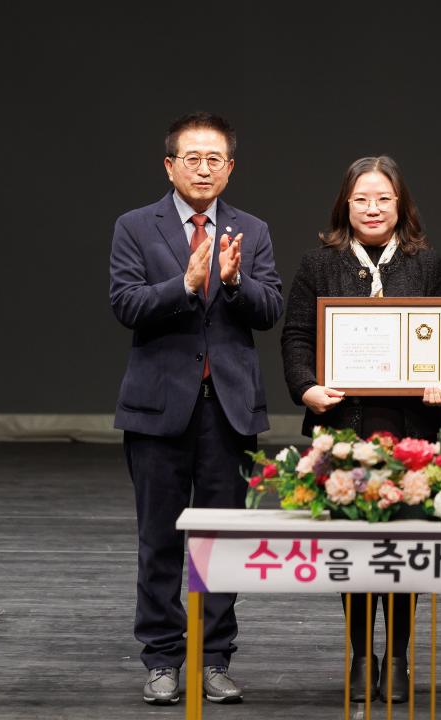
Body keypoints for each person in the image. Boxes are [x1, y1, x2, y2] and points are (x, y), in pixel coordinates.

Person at [110, 112, 284, 705]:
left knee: (222, 541)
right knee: (158, 540)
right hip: (158, 409)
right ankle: (161, 659)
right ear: (170, 165)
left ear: (230, 168)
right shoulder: (136, 226)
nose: (204, 168)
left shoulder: (252, 230)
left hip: (228, 410)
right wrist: (185, 285)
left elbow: (270, 310)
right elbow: (126, 304)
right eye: (192, 158)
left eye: (215, 159)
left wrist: (233, 284)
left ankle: (214, 659)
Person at [280, 155, 441, 703]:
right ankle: (360, 655)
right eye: (362, 199)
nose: (373, 208)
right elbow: (297, 337)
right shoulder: (319, 263)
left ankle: (400, 657)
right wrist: (307, 387)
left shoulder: (425, 263)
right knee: (354, 547)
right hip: (343, 425)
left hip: (409, 426)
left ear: (400, 204)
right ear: (345, 205)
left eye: (383, 198)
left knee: (402, 547)